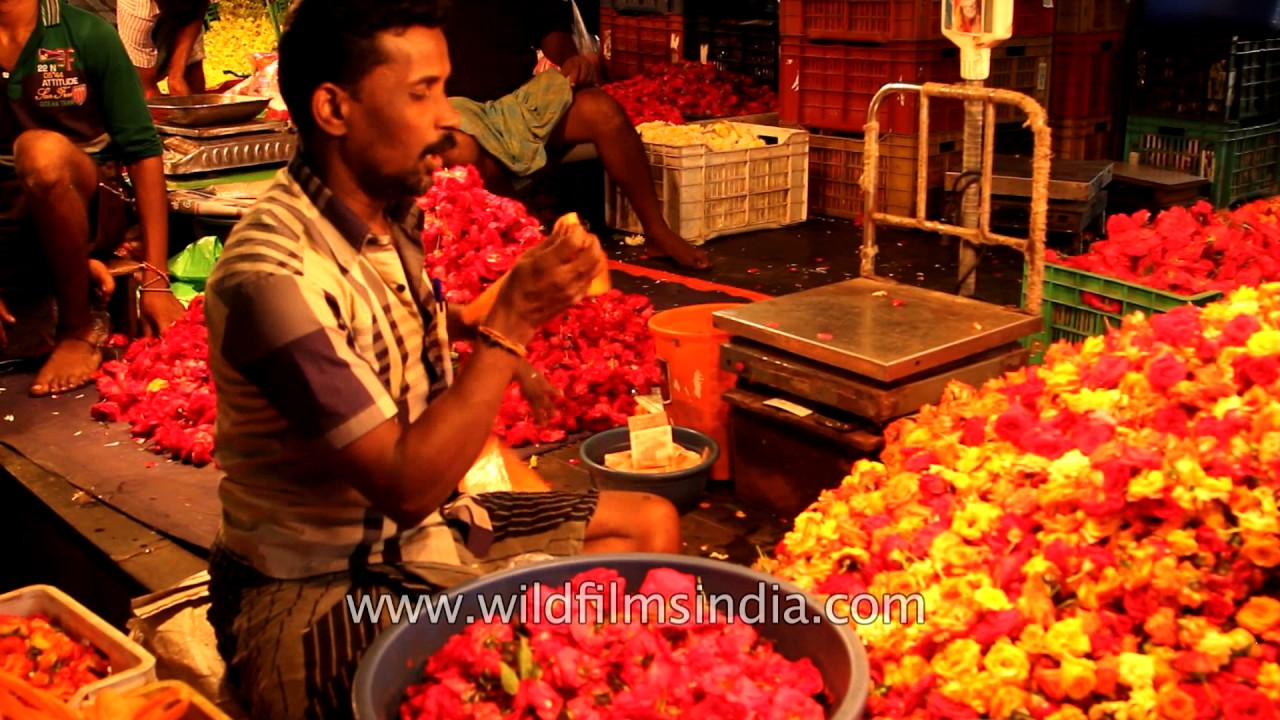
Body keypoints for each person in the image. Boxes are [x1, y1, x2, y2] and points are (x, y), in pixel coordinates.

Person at [202, 1, 682, 717]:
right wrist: (510, 326)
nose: (447, 120)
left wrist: (468, 320)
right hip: (318, 581)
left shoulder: (386, 212)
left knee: (647, 526)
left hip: (423, 534)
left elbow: (380, 330)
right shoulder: (272, 278)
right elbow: (405, 482)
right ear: (334, 108)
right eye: (422, 94)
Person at [439, 0, 713, 270]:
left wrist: (571, 59)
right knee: (463, 152)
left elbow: (549, 27)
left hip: (515, 99)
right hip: (446, 104)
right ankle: (530, 239)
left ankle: (657, 232)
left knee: (603, 111)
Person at [0, 0, 184, 396]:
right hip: (10, 217)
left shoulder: (86, 34)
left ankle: (77, 329)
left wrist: (156, 281)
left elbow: (143, 152)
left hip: (90, 205)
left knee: (41, 154)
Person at [116, 0, 210, 97]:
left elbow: (198, 10)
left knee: (192, 64)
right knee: (136, 83)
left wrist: (176, 76)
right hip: (128, 13)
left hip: (182, 6)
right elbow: (147, 89)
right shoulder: (136, 11)